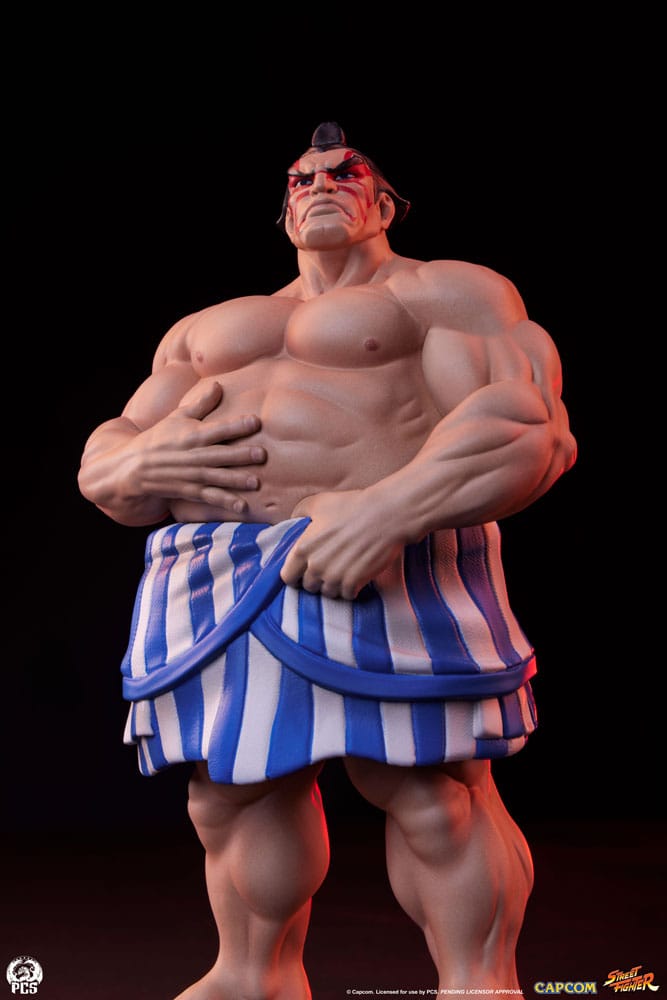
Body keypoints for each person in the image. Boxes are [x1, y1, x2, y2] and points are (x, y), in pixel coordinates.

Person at [78, 122, 577, 999]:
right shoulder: (205, 330)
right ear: (283, 212)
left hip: (388, 557)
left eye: (345, 173)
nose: (319, 183)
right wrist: (135, 465)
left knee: (431, 788)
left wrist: (390, 510)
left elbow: (527, 425)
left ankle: (479, 981)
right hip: (218, 577)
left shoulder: (446, 292)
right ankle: (252, 977)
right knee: (231, 790)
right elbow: (107, 458)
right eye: (301, 177)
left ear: (383, 204)